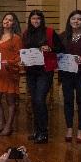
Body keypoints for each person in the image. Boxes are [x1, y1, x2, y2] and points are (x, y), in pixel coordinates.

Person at [22, 10, 63, 144]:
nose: (36, 21)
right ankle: (37, 131)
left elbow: (61, 47)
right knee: (34, 100)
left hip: (45, 71)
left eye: (38, 19)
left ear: (42, 20)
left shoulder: (50, 32)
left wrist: (50, 49)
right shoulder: (26, 33)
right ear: (30, 20)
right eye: (33, 19)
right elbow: (23, 50)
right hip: (31, 71)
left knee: (40, 99)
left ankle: (44, 133)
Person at [59, 10, 81, 143]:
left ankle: (80, 130)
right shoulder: (62, 36)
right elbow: (57, 52)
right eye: (73, 19)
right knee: (68, 101)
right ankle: (69, 128)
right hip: (66, 74)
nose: (76, 21)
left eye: (79, 19)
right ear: (69, 21)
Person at [0, 12, 22, 136]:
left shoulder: (16, 38)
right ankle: (1, 123)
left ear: (14, 23)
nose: (7, 21)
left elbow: (19, 56)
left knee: (10, 101)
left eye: (10, 20)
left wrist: (8, 62)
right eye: (5, 19)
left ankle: (9, 126)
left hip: (9, 72)